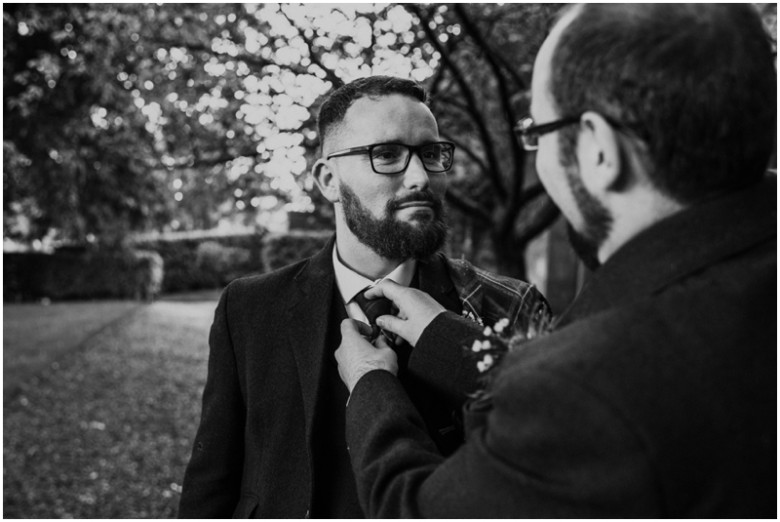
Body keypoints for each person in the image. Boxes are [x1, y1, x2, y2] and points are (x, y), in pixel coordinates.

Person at [335, 4, 776, 518]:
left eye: (536, 132)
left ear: (597, 149)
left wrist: (370, 386)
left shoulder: (580, 383)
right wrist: (449, 343)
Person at [178, 76, 550, 518]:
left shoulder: (509, 306)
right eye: (387, 154)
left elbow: (555, 467)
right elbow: (211, 482)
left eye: (431, 154)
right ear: (328, 179)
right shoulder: (249, 307)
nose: (420, 177)